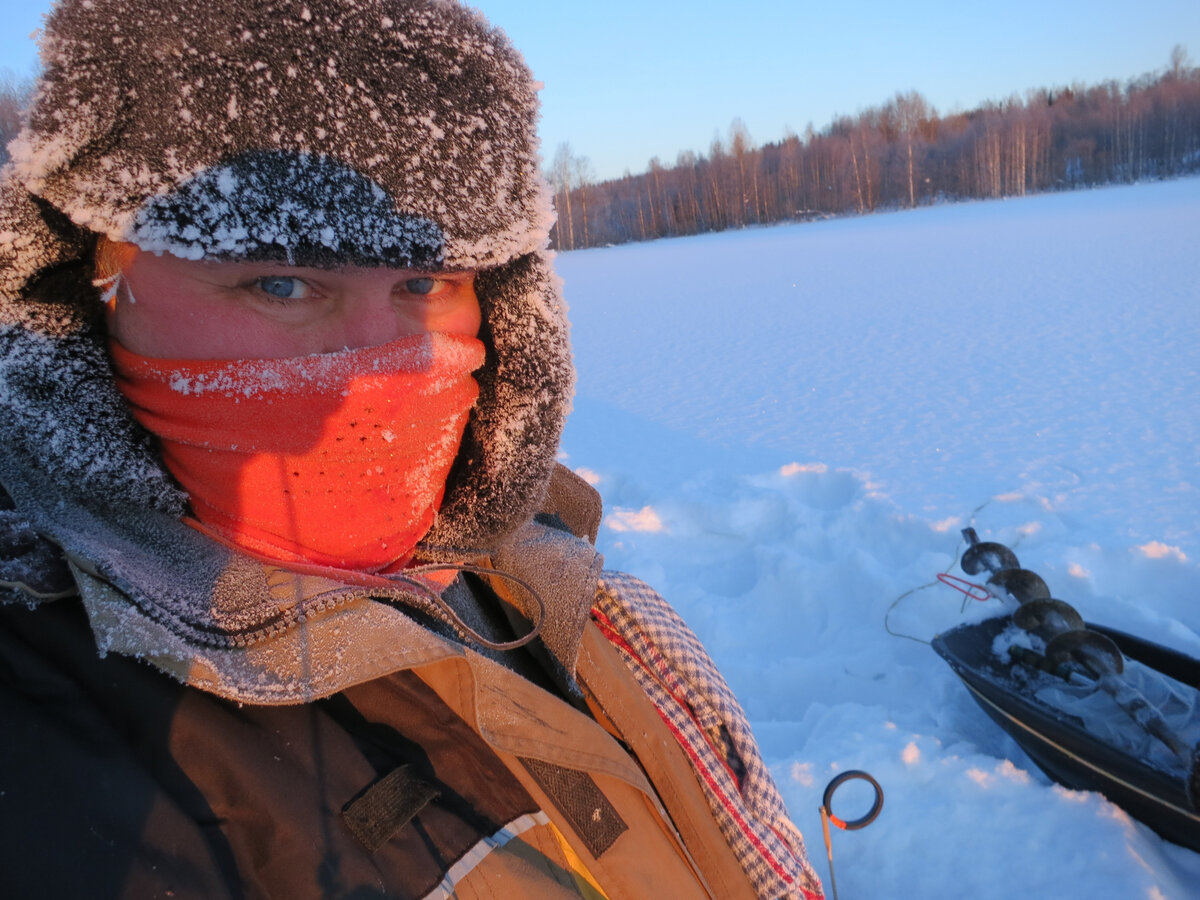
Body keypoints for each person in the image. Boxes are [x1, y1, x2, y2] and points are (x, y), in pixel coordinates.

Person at [0, 1, 823, 897]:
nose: (380, 371)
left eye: (426, 282)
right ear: (89, 287)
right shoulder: (56, 723)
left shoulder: (545, 587)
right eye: (281, 282)